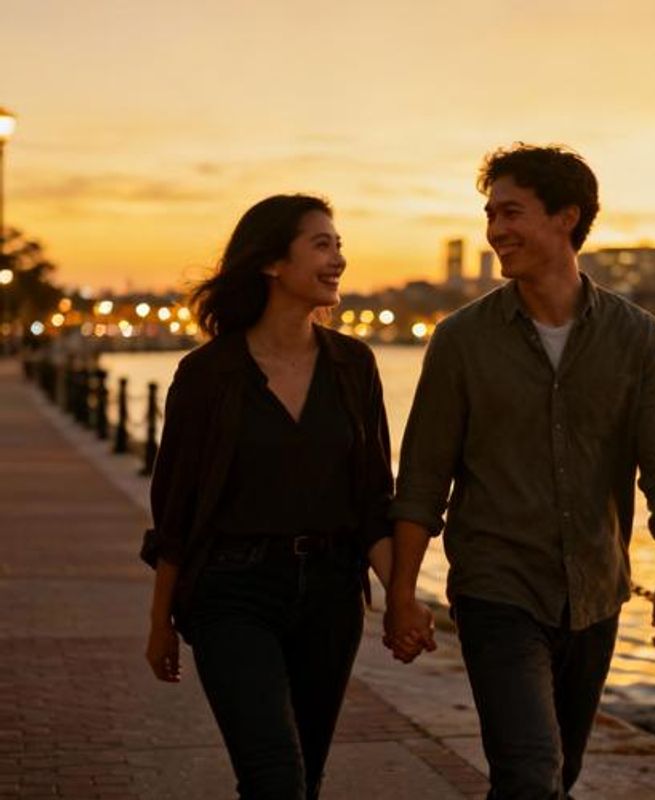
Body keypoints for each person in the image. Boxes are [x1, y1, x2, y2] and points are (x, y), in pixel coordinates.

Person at [383, 144, 655, 799]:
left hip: (594, 592)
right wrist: (401, 593)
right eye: (489, 215)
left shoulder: (635, 336)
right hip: (497, 588)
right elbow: (422, 479)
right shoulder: (462, 341)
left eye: (512, 213)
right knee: (530, 773)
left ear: (567, 218)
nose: (495, 230)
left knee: (561, 775)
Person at [142, 194, 431, 799]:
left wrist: (401, 597)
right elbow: (176, 508)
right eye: (321, 244)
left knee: (306, 777)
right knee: (274, 777)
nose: (338, 260)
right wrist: (160, 620)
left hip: (330, 594)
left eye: (340, 245)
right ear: (273, 262)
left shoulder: (354, 366)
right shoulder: (208, 374)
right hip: (231, 592)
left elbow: (372, 498)